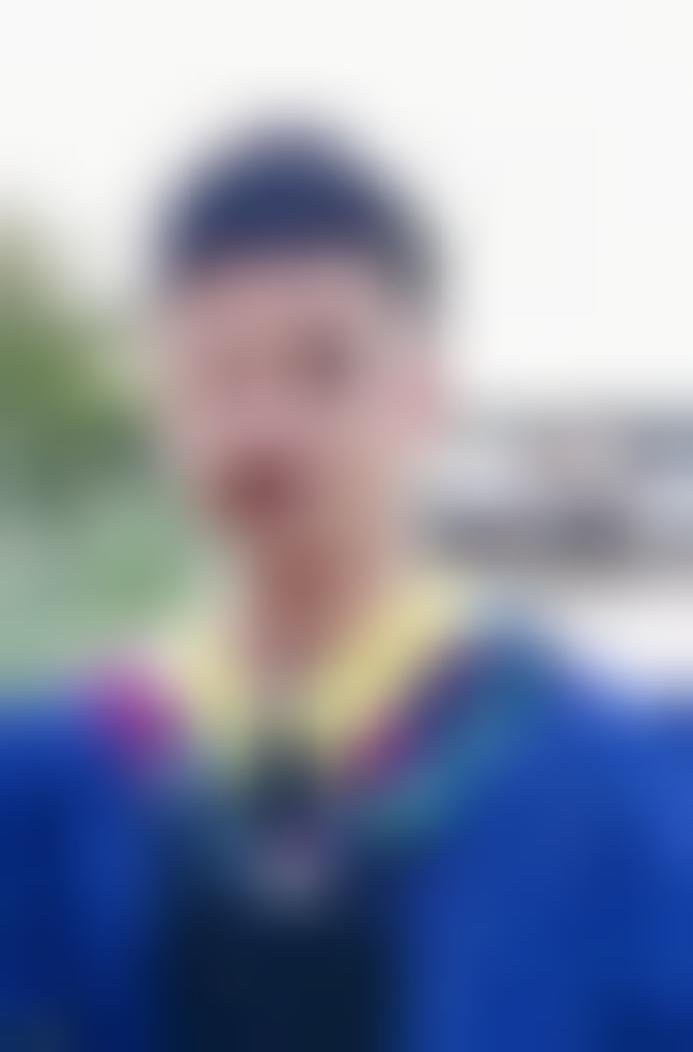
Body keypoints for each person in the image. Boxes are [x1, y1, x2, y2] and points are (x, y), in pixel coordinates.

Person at [1, 123, 692, 1052]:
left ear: (423, 396)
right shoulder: (48, 787)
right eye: (216, 373)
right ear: (160, 401)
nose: (262, 427)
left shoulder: (611, 792)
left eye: (320, 368)